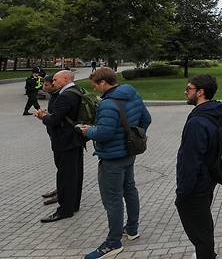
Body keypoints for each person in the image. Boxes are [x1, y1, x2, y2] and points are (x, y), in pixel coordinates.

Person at [80, 68, 152, 259]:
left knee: (112, 200)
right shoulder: (132, 93)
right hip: (129, 153)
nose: (95, 89)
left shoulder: (107, 104)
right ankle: (132, 229)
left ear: (103, 82)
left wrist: (87, 131)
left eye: (95, 85)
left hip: (112, 158)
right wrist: (130, 137)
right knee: (130, 190)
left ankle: (113, 243)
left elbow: (104, 133)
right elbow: (146, 119)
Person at [176, 74, 222, 259]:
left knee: (201, 234)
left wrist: (183, 192)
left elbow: (191, 161)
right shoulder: (215, 112)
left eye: (189, 89)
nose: (185, 92)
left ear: (200, 92)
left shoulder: (197, 122)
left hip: (196, 186)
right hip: (208, 181)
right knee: (203, 227)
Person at [34, 70, 84, 223]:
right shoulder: (78, 90)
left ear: (66, 78)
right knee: (75, 173)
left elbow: (54, 121)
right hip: (76, 138)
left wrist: (43, 116)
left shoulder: (65, 96)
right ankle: (73, 204)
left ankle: (64, 210)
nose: (53, 82)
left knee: (65, 176)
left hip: (64, 141)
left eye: (56, 79)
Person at [40, 75, 59, 205]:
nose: (43, 87)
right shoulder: (54, 96)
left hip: (61, 137)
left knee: (63, 166)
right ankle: (60, 188)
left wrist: (44, 117)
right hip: (54, 135)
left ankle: (62, 191)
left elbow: (56, 118)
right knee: (59, 165)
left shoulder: (60, 96)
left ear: (54, 84)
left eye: (46, 85)